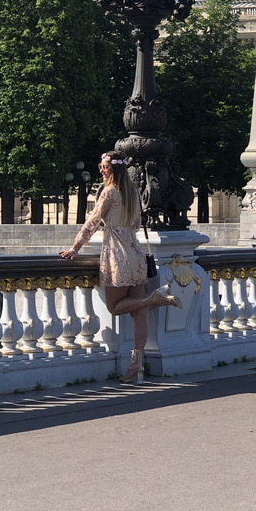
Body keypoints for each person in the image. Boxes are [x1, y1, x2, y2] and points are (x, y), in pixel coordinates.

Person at [60, 151, 179, 383]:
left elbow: (93, 222)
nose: (101, 169)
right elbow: (136, 223)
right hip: (136, 254)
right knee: (138, 314)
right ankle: (137, 365)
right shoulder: (133, 192)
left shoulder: (109, 192)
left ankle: (152, 299)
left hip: (117, 255)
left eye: (104, 166)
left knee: (115, 307)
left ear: (113, 169)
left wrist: (75, 247)